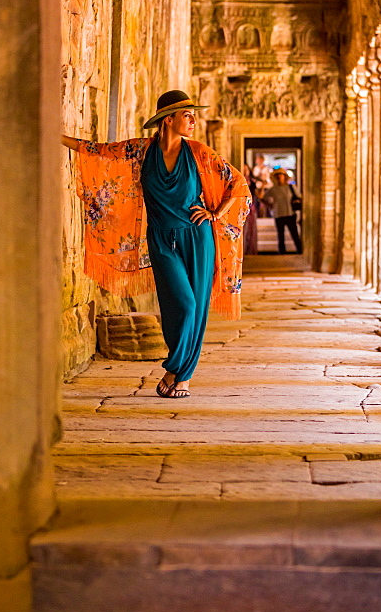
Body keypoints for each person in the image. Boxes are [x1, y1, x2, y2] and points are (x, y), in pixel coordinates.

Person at [62, 90, 251, 398]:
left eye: (192, 115)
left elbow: (237, 183)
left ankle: (181, 374)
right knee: (178, 305)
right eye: (186, 115)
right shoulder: (141, 150)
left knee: (196, 306)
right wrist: (55, 136)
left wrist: (216, 213)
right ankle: (177, 367)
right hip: (161, 238)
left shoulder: (200, 153)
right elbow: (98, 150)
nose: (192, 120)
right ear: (168, 119)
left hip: (197, 236)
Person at [264, 168, 303, 254]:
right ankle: (282, 253)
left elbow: (299, 197)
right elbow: (263, 198)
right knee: (280, 236)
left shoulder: (291, 187)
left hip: (290, 214)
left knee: (295, 234)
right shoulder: (273, 189)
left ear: (284, 177)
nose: (279, 177)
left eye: (280, 175)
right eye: (277, 175)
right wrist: (270, 206)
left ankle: (299, 251)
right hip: (279, 214)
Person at [243, 164, 258, 255]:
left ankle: (250, 250)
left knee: (251, 230)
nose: (245, 171)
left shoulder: (252, 182)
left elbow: (256, 195)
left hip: (251, 208)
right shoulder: (238, 180)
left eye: (246, 169)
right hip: (241, 207)